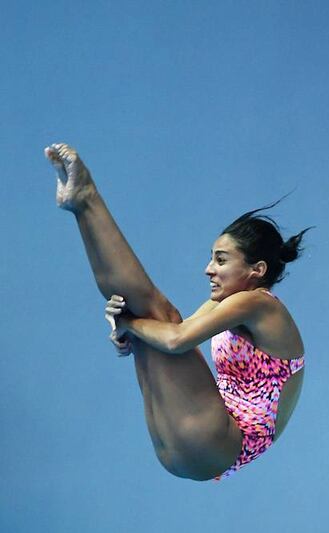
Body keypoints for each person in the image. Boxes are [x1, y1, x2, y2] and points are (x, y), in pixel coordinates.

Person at [45, 143, 309, 480]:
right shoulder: (231, 301)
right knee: (146, 320)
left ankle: (86, 199)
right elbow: (168, 334)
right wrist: (128, 330)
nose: (208, 269)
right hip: (195, 451)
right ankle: (81, 207)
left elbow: (176, 339)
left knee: (158, 316)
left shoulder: (258, 302)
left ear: (257, 269)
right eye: (212, 258)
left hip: (219, 442)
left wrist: (130, 324)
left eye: (221, 260)